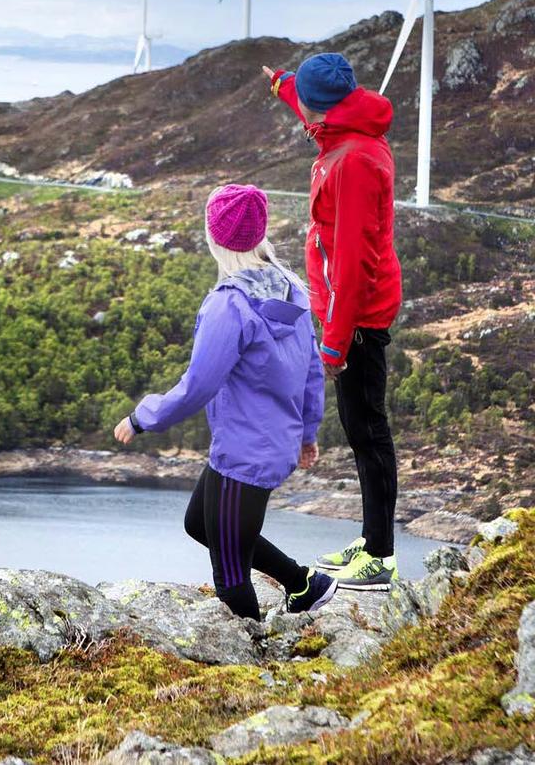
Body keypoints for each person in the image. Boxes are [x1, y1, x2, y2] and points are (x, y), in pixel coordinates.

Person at [114, 183, 335, 621]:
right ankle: (304, 583)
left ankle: (256, 667)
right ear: (260, 234)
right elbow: (312, 369)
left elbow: (198, 386)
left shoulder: (229, 306)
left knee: (231, 577)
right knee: (200, 523)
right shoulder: (291, 288)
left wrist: (143, 418)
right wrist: (307, 433)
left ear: (215, 238)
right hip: (259, 444)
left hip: (246, 456)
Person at [262, 53, 401, 591]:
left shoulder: (356, 161)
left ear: (329, 111)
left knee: (369, 432)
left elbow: (354, 263)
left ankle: (381, 558)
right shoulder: (340, 120)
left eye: (308, 109)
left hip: (359, 315)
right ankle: (370, 542)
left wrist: (335, 347)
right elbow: (304, 99)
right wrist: (280, 81)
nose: (306, 119)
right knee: (360, 429)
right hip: (346, 310)